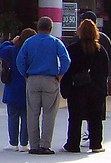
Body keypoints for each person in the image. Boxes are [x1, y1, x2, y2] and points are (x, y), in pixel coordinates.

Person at [15, 16, 70, 155]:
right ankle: (45, 145)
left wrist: (25, 75)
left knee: (32, 113)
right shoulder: (56, 42)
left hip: (33, 79)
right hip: (50, 79)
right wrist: (60, 74)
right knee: (49, 113)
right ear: (51, 28)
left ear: (37, 27)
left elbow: (20, 60)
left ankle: (34, 145)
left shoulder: (29, 42)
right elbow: (66, 59)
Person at [60, 20, 110, 153]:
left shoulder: (73, 49)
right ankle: (96, 144)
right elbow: (106, 71)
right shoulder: (100, 50)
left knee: (75, 118)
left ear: (80, 32)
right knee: (95, 118)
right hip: (96, 90)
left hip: (77, 89)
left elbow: (67, 69)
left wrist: (66, 88)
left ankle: (73, 144)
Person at [0, 28, 35, 152]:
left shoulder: (13, 50)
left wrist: (11, 42)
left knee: (12, 116)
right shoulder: (32, 52)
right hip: (28, 88)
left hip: (12, 87)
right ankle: (24, 143)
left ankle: (13, 143)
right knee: (26, 117)